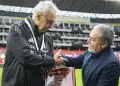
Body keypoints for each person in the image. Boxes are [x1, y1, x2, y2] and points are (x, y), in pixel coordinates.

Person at [2, 1, 64, 86]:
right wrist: (52, 60)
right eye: (49, 22)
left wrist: (56, 70)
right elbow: (24, 57)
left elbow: (48, 65)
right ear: (39, 16)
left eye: (53, 23)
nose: (51, 26)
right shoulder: (17, 29)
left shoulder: (48, 39)